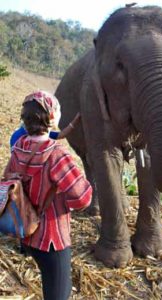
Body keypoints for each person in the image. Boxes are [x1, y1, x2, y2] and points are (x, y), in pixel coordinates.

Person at [4, 90, 92, 300]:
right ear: (52, 117)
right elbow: (82, 198)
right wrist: (69, 199)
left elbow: (6, 181)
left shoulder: (18, 148)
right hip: (51, 239)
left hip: (27, 232)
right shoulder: (56, 154)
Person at [10, 90, 80, 149]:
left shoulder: (16, 137)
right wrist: (75, 122)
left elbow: (61, 135)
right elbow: (61, 135)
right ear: (51, 116)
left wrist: (74, 122)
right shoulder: (53, 151)